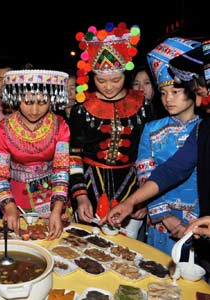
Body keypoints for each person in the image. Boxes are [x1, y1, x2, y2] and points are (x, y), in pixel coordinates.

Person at [69, 22, 151, 238]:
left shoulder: (143, 104)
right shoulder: (82, 108)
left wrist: (144, 197)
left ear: (126, 75)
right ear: (92, 77)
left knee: (130, 252)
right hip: (91, 185)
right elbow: (74, 156)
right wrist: (80, 196)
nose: (108, 86)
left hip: (132, 185)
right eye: (101, 80)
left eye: (116, 79)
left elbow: (150, 153)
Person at [136, 37, 202, 254]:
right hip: (160, 220)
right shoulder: (151, 129)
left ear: (193, 90)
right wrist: (164, 216)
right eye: (163, 93)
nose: (168, 99)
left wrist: (193, 221)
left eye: (175, 91)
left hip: (200, 221)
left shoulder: (205, 129)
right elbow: (145, 175)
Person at [0, 69, 70, 239]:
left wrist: (57, 209)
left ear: (52, 100)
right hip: (17, 197)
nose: (34, 110)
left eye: (42, 103)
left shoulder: (60, 125)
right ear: (18, 99)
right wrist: (9, 206)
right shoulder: (3, 129)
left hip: (53, 193)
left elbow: (61, 169)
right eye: (27, 102)